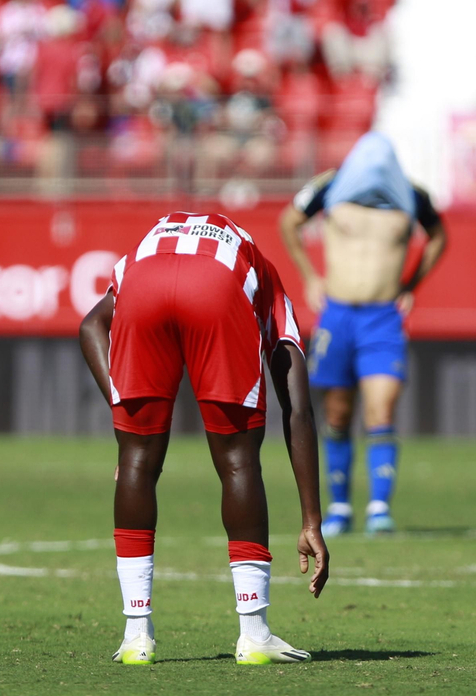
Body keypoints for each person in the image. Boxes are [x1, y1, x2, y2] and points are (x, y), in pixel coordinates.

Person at [78, 212, 329, 666]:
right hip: (216, 286)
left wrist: (123, 414)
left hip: (144, 280)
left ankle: (137, 636)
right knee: (237, 460)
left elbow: (89, 326)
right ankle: (253, 632)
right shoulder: (263, 272)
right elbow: (299, 407)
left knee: (137, 459)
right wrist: (311, 519)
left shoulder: (151, 239)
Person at [277, 133, 447, 537]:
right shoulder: (330, 185)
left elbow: (439, 236)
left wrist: (412, 284)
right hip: (337, 315)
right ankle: (338, 507)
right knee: (336, 413)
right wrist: (309, 276)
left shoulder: (411, 194)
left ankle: (379, 508)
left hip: (383, 318)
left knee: (380, 410)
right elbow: (289, 221)